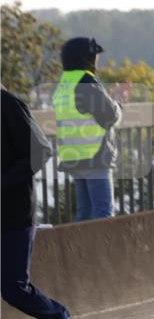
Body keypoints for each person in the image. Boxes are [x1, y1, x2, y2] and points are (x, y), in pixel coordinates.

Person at [1, 87, 74, 319]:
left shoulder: (8, 104)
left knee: (13, 287)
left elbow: (40, 150)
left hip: (12, 214)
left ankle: (57, 318)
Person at [53, 37, 126, 221]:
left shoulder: (65, 84)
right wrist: (118, 104)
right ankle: (103, 250)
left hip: (74, 156)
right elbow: (110, 115)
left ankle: (82, 250)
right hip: (95, 156)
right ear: (87, 58)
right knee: (103, 214)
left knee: (84, 213)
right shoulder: (86, 82)